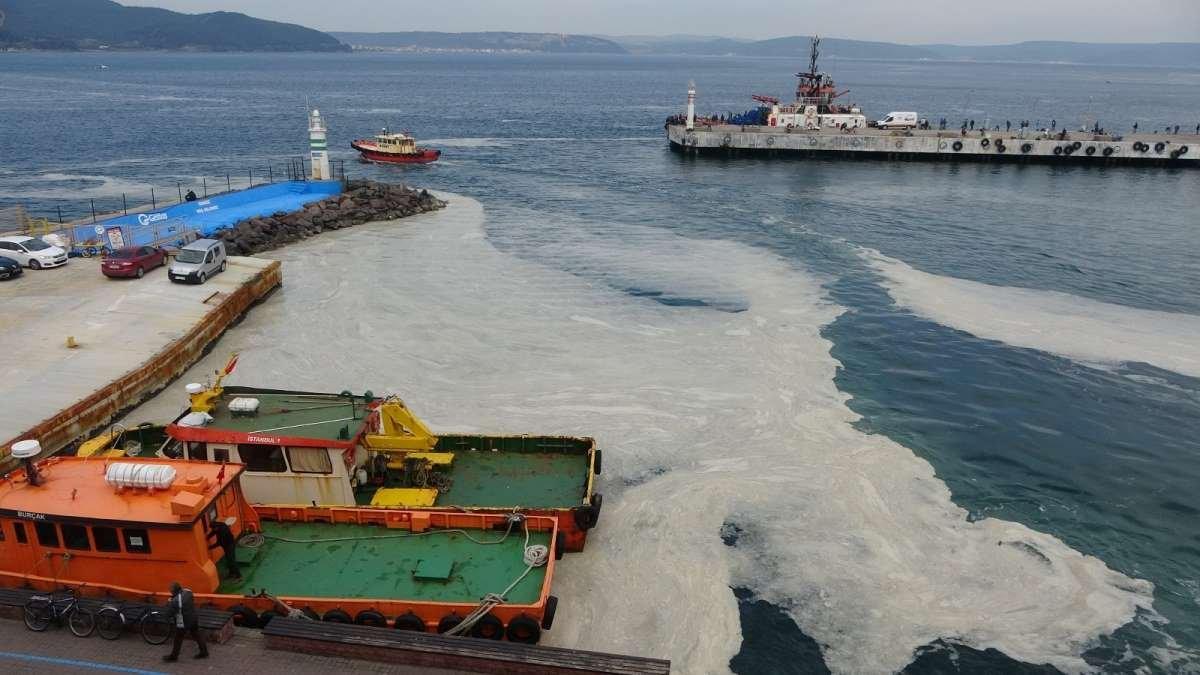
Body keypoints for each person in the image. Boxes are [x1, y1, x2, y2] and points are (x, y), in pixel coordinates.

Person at [164, 582, 208, 661]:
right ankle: (204, 652)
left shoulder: (175, 601)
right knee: (196, 634)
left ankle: (174, 656)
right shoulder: (188, 592)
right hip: (193, 617)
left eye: (171, 590)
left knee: (178, 638)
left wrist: (169, 602)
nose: (170, 591)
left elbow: (168, 614)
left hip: (183, 621)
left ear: (174, 591)